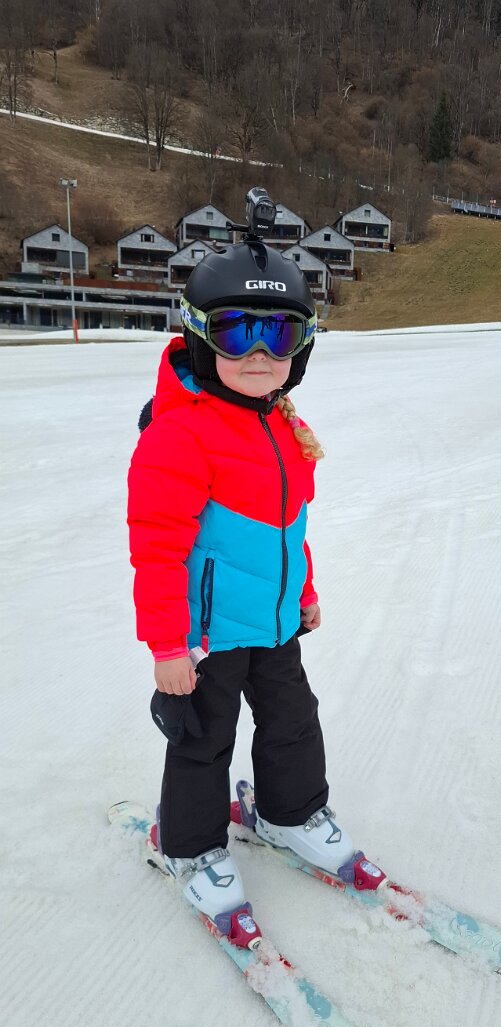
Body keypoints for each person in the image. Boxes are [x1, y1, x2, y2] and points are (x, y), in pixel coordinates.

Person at [127, 238, 358, 937]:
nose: (259, 353)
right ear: (201, 338)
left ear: (301, 347)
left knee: (293, 720)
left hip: (275, 622)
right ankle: (191, 848)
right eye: (236, 332)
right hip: (210, 636)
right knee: (203, 739)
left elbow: (288, 526)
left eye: (278, 334)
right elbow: (157, 549)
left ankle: (290, 814)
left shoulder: (281, 423)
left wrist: (303, 592)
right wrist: (168, 646)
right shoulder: (180, 434)